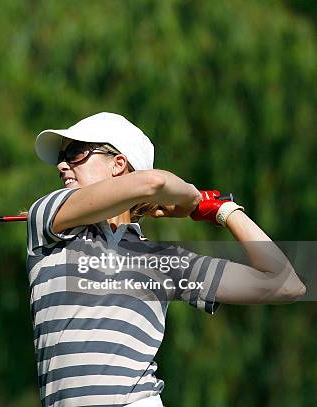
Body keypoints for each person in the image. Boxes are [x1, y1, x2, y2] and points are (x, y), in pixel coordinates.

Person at [26, 112, 306, 407]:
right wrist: (192, 199)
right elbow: (154, 182)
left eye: (75, 152)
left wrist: (222, 210)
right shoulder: (49, 218)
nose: (61, 164)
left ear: (118, 164)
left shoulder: (161, 261)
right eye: (62, 155)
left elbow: (285, 284)